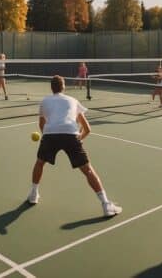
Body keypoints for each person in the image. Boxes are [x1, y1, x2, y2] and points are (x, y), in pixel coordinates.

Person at [27, 75, 122, 217]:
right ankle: (106, 205)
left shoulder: (45, 101)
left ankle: (34, 195)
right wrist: (79, 139)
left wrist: (46, 136)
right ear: (63, 87)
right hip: (71, 134)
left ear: (51, 88)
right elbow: (88, 129)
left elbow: (42, 124)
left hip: (50, 135)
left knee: (39, 163)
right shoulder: (73, 101)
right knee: (88, 170)